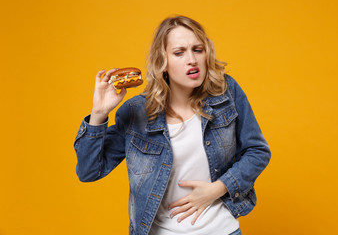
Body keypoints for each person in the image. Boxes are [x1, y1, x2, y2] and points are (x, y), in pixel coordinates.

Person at [74, 15, 271, 235]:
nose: (192, 60)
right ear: (163, 62)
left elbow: (257, 151)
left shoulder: (226, 93)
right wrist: (99, 113)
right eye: (179, 52)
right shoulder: (136, 112)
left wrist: (217, 189)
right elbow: (89, 171)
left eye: (198, 49)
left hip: (222, 230)